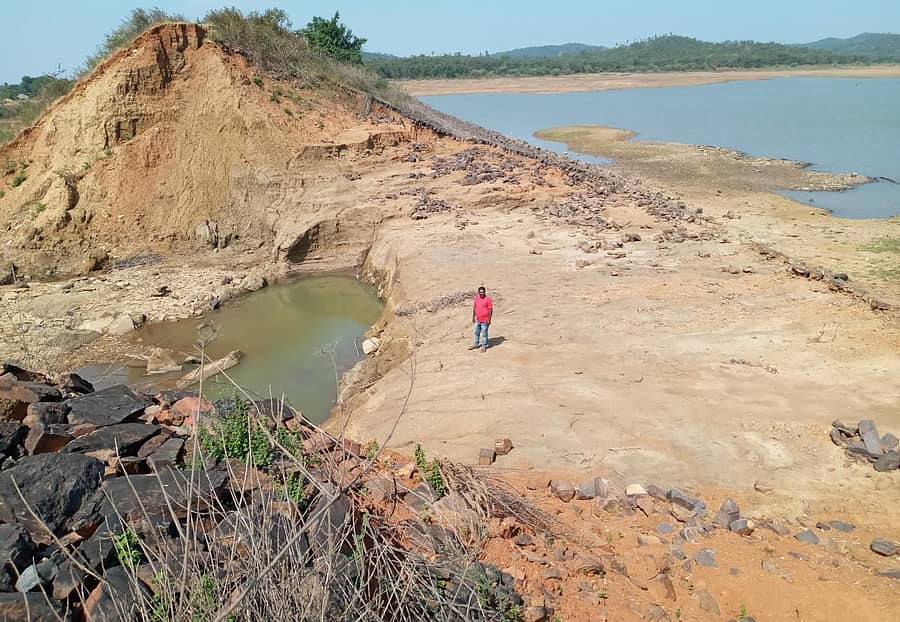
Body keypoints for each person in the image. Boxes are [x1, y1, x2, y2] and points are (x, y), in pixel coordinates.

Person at [470, 286, 493, 352]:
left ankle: (484, 346)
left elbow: (490, 310)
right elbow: (474, 308)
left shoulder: (488, 299)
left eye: (483, 292)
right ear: (478, 293)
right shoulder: (477, 299)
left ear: (485, 292)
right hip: (478, 319)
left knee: (484, 334)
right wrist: (473, 317)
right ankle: (476, 344)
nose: (481, 294)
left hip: (485, 320)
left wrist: (489, 319)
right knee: (476, 333)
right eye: (480, 292)